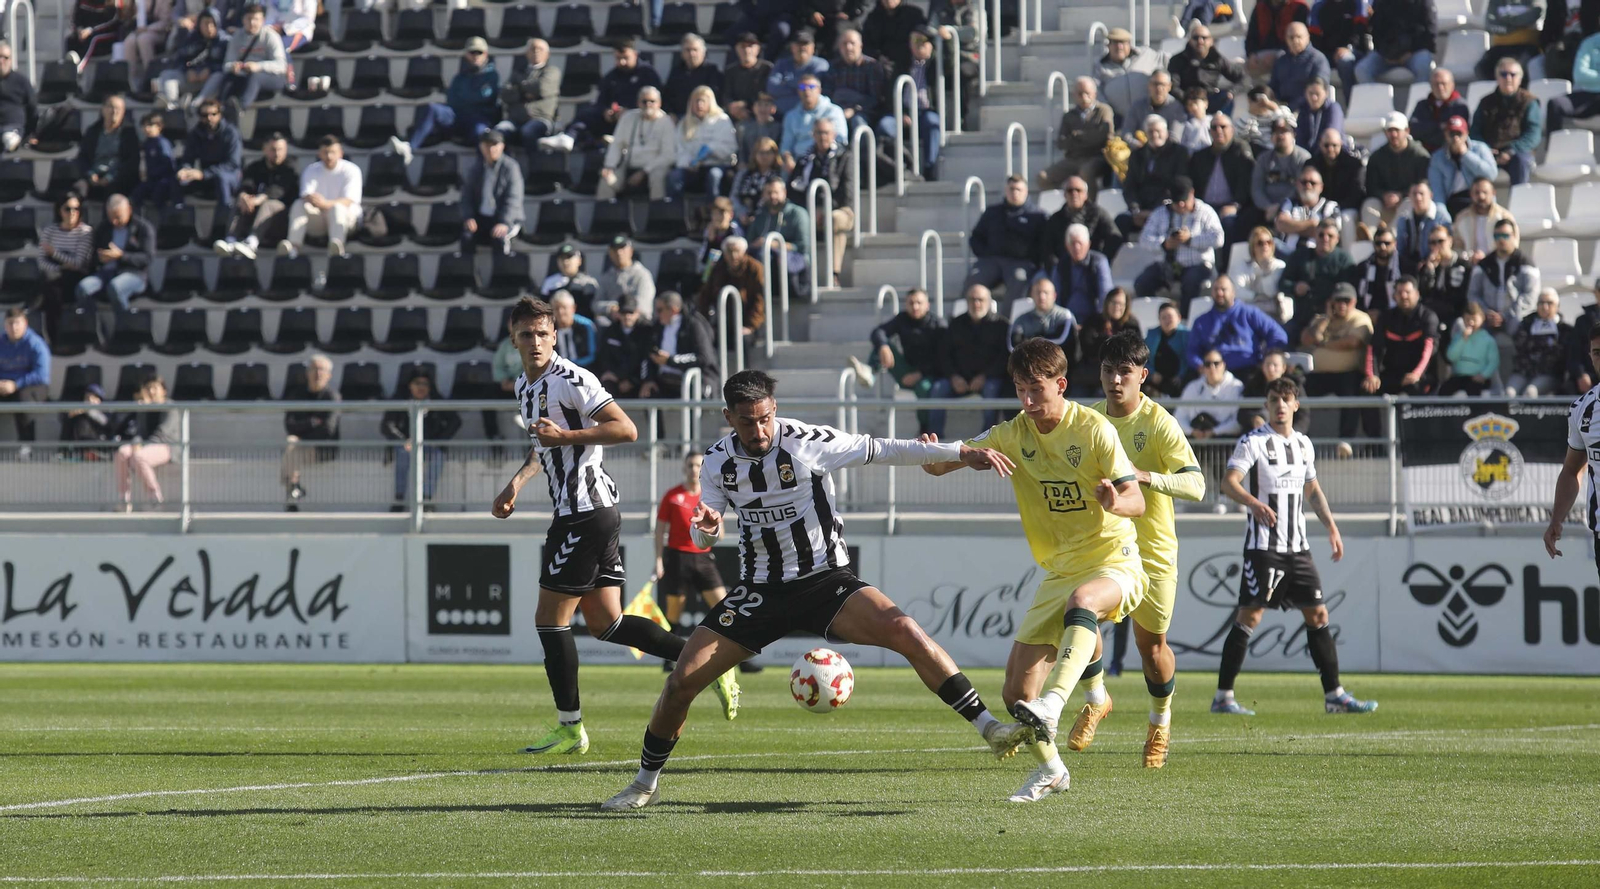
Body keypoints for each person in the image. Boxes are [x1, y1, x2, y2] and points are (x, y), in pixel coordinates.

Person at [601, 368, 1026, 810]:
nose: (758, 429)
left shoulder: (805, 442)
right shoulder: (717, 462)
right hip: (760, 591)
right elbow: (707, 531)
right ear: (729, 417)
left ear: (774, 410)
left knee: (906, 631)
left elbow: (880, 449)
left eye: (764, 418)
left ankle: (989, 728)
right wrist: (706, 530)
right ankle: (643, 784)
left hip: (826, 582)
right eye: (747, 421)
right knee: (680, 684)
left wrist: (960, 451)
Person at [494, 297, 735, 758]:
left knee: (549, 620)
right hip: (583, 512)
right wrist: (516, 484)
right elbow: (542, 448)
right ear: (514, 339)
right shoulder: (526, 389)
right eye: (527, 334)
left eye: (543, 333)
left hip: (585, 511)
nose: (536, 341)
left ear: (555, 335)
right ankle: (712, 662)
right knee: (606, 623)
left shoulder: (572, 379)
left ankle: (570, 727)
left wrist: (566, 437)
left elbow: (626, 429)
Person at [920, 338, 1149, 801]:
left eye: (1036, 389)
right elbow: (941, 467)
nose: (1027, 400)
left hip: (1113, 556)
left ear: (1060, 384)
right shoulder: (1012, 433)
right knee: (1014, 694)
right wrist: (933, 453)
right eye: (1020, 389)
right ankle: (1052, 771)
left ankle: (1057, 703)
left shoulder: (1093, 429)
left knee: (1083, 603)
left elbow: (1137, 500)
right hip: (1059, 569)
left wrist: (1113, 500)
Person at [1020, 331, 1204, 768]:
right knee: (1081, 613)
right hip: (1100, 547)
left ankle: (1160, 722)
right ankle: (1096, 697)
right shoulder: (1087, 419)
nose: (1115, 379)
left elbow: (1196, 483)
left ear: (1143, 375)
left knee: (1151, 648)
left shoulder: (1158, 423)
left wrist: (1147, 477)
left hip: (1152, 550)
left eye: (1125, 371)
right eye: (1107, 370)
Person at [1214, 378, 1375, 716]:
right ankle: (1223, 697)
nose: (1281, 405)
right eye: (1274, 399)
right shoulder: (1253, 442)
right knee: (1251, 614)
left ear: (1296, 404)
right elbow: (1229, 483)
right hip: (1264, 547)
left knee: (1318, 613)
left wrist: (1332, 527)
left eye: (1286, 399)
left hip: (1298, 548)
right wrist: (1253, 504)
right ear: (1267, 405)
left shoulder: (1303, 444)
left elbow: (1312, 490)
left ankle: (1335, 696)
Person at [653, 453, 762, 674]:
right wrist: (658, 560)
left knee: (726, 607)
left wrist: (711, 527)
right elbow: (660, 530)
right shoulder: (672, 496)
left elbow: (719, 534)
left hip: (703, 559)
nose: (694, 469)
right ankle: (669, 659)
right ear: (685, 468)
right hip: (677, 558)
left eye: (698, 465)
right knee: (674, 612)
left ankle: (741, 660)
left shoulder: (709, 497)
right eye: (691, 465)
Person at [848, 287, 946, 434]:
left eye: (919, 303)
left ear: (927, 305)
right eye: (911, 303)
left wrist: (919, 374)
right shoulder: (902, 319)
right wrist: (883, 346)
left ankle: (925, 430)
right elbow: (878, 332)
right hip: (906, 371)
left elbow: (943, 358)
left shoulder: (938, 325)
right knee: (882, 347)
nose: (915, 307)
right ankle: (870, 372)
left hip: (929, 374)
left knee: (924, 388)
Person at [389, 37, 500, 165]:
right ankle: (410, 148)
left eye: (478, 52)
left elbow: (485, 98)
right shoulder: (460, 77)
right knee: (432, 108)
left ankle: (486, 170)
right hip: (457, 117)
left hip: (478, 120)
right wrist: (470, 99)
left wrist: (465, 98)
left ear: (485, 54)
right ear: (466, 54)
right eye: (472, 52)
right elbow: (452, 100)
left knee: (482, 135)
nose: (475, 56)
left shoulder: (492, 76)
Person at [1543, 327, 1600, 574]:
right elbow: (1571, 471)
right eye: (1598, 352)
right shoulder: (1582, 409)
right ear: (1590, 355)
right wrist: (1557, 519)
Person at [539, 39, 662, 152]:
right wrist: (605, 111)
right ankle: (569, 137)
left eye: (626, 58)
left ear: (635, 54)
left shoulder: (647, 74)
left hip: (639, 119)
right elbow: (601, 102)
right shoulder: (612, 76)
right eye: (618, 58)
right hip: (614, 120)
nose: (622, 62)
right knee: (587, 113)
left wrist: (629, 111)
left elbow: (655, 101)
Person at [1133, 177, 1225, 313]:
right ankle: (1154, 318)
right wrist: (1164, 244)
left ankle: (1185, 320)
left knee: (1191, 282)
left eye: (1184, 201)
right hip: (1167, 264)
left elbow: (1219, 238)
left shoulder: (1206, 212)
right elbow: (1144, 239)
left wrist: (1190, 240)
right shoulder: (1160, 213)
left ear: (1192, 193)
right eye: (1177, 202)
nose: (1181, 205)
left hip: (1197, 264)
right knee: (1142, 283)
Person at [929, 284, 1009, 436]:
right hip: (959, 380)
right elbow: (944, 354)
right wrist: (953, 376)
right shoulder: (956, 324)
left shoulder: (1001, 325)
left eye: (980, 300)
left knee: (992, 390)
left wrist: (985, 377)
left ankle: (988, 440)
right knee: (938, 389)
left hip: (989, 379)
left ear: (989, 301)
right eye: (972, 299)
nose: (976, 303)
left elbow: (1004, 358)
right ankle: (935, 441)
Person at [788, 116, 856, 283]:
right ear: (813, 135)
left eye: (826, 132)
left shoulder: (844, 156)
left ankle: (833, 273)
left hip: (841, 210)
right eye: (818, 132)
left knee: (833, 221)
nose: (822, 136)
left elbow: (847, 191)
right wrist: (812, 210)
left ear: (833, 134)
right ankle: (801, 277)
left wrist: (825, 210)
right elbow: (793, 189)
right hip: (812, 211)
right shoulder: (805, 159)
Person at [1301, 284, 1375, 436]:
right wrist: (1327, 318)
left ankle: (1345, 441)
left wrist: (1323, 343)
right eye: (1338, 300)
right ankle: (1298, 436)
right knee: (1296, 389)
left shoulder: (1360, 318)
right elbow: (1306, 339)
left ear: (1353, 302)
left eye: (1346, 301)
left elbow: (1352, 342)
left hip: (1349, 374)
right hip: (1320, 374)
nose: (1342, 305)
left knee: (1351, 393)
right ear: (1331, 302)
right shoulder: (1322, 319)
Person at [381, 371, 460, 511]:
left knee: (438, 457)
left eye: (425, 384)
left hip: (430, 445)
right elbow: (387, 425)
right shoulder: (400, 400)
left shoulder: (437, 401)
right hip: (407, 445)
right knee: (402, 454)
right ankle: (399, 500)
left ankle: (426, 499)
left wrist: (439, 441)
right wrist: (402, 440)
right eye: (417, 383)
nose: (421, 387)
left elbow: (455, 421)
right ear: (410, 386)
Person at [214, 131, 297, 259]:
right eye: (273, 150)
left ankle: (252, 242)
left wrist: (257, 200)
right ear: (264, 149)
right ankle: (230, 240)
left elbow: (277, 191)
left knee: (270, 204)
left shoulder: (290, 169)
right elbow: (246, 184)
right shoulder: (255, 167)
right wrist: (243, 196)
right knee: (241, 200)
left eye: (281, 150)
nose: (277, 154)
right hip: (253, 214)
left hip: (279, 222)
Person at [1187, 275, 1289, 376]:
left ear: (1233, 292)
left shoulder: (1250, 313)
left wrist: (1265, 358)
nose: (1219, 293)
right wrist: (1200, 366)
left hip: (1248, 370)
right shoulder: (1201, 321)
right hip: (1213, 372)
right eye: (1216, 289)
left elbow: (1278, 335)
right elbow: (1192, 351)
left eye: (1223, 289)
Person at [282, 135, 362, 259]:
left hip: (347, 220)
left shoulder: (352, 170)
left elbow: (349, 200)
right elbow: (306, 195)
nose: (329, 156)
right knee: (299, 204)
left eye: (332, 152)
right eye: (325, 152)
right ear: (319, 153)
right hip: (319, 220)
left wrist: (325, 204)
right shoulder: (311, 170)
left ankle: (337, 248)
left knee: (337, 208)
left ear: (340, 153)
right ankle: (293, 248)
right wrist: (313, 200)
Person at [879, 26, 942, 181]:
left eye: (922, 41)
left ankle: (929, 168)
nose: (917, 44)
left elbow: (950, 63)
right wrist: (900, 113)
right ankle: (899, 168)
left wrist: (942, 46)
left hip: (925, 112)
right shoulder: (901, 65)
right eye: (914, 40)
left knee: (933, 124)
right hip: (903, 112)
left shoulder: (936, 64)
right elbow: (889, 93)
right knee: (885, 126)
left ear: (930, 44)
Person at [1466, 218, 1539, 351]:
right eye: (1497, 235)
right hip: (1486, 320)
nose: (1501, 239)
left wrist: (1505, 316)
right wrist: (1487, 313)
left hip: (1516, 320)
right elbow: (1473, 294)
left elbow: (1530, 297)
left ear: (1514, 236)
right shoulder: (1483, 265)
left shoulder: (1526, 264)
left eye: (1505, 235)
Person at [202, 4, 289, 114]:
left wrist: (258, 66)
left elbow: (281, 65)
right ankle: (220, 107)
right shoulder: (237, 36)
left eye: (256, 19)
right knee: (228, 78)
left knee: (255, 77)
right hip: (244, 74)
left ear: (262, 20)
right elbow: (227, 64)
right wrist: (233, 66)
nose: (252, 23)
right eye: (249, 19)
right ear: (243, 19)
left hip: (271, 76)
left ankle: (240, 107)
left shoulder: (270, 36)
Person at [967, 176, 1049, 293]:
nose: (1014, 193)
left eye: (1018, 189)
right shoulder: (992, 212)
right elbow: (976, 237)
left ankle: (1009, 312)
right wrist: (985, 253)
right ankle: (970, 311)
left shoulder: (1038, 216)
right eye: (1011, 189)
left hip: (1022, 263)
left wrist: (1032, 258)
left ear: (1026, 191)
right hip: (992, 261)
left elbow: (1044, 244)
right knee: (974, 279)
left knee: (1019, 280)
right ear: (1006, 191)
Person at [280, 353, 339, 511]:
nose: (318, 373)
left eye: (322, 370)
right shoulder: (297, 395)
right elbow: (290, 425)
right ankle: (293, 488)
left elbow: (328, 429)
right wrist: (313, 422)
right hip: (301, 446)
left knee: (292, 446)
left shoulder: (331, 397)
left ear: (329, 375)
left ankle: (292, 490)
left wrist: (303, 433)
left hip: (323, 449)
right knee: (291, 442)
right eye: (314, 369)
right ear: (307, 373)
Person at [1364, 276, 1441, 396]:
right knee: (1367, 389)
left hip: (1420, 375)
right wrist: (1372, 376)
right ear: (1394, 296)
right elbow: (1374, 348)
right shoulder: (1386, 317)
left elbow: (1429, 350)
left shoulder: (1427, 316)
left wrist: (1416, 374)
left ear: (1417, 294)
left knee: (1411, 392)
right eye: (1399, 292)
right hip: (1392, 374)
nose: (1404, 296)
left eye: (1407, 292)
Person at [1471, 58, 1542, 187]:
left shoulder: (1529, 102)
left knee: (1521, 161)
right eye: (1503, 74)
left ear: (1520, 78)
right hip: (1488, 152)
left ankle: (1519, 201)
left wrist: (1511, 151)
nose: (1508, 78)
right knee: (1468, 159)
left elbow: (1533, 135)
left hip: (1517, 153)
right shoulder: (1485, 102)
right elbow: (1475, 131)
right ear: (1497, 77)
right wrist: (1485, 150)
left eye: (1513, 74)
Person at [597, 86, 677, 201]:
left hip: (654, 167)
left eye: (652, 101)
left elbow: (668, 155)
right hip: (629, 164)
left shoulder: (666, 122)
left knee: (658, 177)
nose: (648, 104)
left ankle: (657, 215)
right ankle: (605, 216)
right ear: (638, 103)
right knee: (607, 179)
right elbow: (617, 145)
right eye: (644, 101)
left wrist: (644, 171)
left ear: (659, 103)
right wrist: (610, 166)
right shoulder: (628, 117)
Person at [111, 377, 179, 510]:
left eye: (155, 387)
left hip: (166, 446)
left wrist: (142, 447)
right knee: (122, 453)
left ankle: (155, 499)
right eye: (148, 388)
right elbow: (139, 432)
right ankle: (123, 500)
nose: (151, 391)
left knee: (139, 457)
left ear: (163, 391)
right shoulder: (144, 407)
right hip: (146, 445)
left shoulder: (171, 407)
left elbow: (163, 433)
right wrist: (137, 443)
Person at [78, 195, 155, 313]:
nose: (114, 222)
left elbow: (147, 258)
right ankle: (94, 326)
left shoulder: (143, 228)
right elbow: (92, 255)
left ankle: (124, 326)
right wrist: (100, 258)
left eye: (118, 217)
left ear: (128, 210)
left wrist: (121, 256)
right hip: (105, 273)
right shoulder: (103, 227)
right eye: (111, 217)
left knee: (115, 287)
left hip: (134, 274)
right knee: (83, 288)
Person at [1037, 77, 1114, 192]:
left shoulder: (1104, 110)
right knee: (1043, 177)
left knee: (1086, 172)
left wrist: (1077, 136)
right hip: (1073, 159)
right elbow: (1062, 143)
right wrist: (1089, 137)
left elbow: (1104, 136)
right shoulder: (1069, 115)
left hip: (1097, 157)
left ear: (1095, 94)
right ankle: (1068, 201)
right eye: (1079, 93)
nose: (1084, 97)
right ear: (1074, 95)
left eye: (1087, 93)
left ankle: (1090, 205)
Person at [177, 98, 243, 232]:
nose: (209, 118)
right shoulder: (196, 133)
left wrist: (204, 173)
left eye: (213, 114)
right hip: (206, 176)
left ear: (219, 114)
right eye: (204, 115)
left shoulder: (231, 133)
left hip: (229, 176)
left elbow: (232, 163)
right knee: (176, 180)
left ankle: (221, 230)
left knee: (221, 179)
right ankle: (179, 226)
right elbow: (188, 157)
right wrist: (185, 170)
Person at [1117, 117, 1190, 237]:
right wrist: (1136, 210)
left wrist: (1154, 212)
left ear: (1166, 133)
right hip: (1141, 209)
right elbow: (1129, 186)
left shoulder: (1179, 153)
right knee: (1121, 221)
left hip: (1167, 207)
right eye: (1151, 131)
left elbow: (1178, 184)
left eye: (1158, 131)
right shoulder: (1137, 155)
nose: (1155, 135)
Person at [1190, 114, 1256, 244]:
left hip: (1230, 206)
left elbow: (1246, 182)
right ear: (1209, 132)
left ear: (1232, 130)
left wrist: (1236, 205)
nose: (1218, 130)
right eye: (1214, 127)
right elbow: (1192, 183)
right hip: (1203, 206)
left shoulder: (1240, 150)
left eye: (1223, 127)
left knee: (1229, 224)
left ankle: (1225, 264)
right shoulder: (1199, 157)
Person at [1364, 113, 1434, 232]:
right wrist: (1383, 196)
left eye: (1397, 130)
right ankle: (1369, 236)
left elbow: (1424, 184)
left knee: (1410, 203)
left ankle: (1392, 236)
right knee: (1369, 204)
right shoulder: (1377, 157)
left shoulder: (1420, 155)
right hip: (1384, 202)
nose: (1393, 134)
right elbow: (1371, 186)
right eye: (1390, 130)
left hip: (1408, 198)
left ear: (1406, 131)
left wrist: (1401, 195)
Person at [38, 196, 95, 340]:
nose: (72, 212)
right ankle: (54, 337)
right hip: (54, 276)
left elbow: (78, 263)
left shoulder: (86, 232)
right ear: (59, 210)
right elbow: (41, 261)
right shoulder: (49, 231)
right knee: (51, 289)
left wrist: (54, 253)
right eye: (67, 209)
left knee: (51, 292)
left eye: (76, 209)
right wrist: (61, 266)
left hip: (74, 278)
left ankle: (57, 336)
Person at [641, 291, 717, 399]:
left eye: (660, 310)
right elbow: (648, 353)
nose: (657, 314)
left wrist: (670, 360)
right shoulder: (658, 327)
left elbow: (704, 357)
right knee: (648, 391)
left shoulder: (693, 325)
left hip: (693, 377)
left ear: (673, 309)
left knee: (695, 391)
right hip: (665, 378)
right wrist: (648, 379)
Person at [460, 129, 524, 256]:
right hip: (482, 219)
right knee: (466, 237)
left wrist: (504, 222)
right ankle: (468, 274)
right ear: (481, 147)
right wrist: (469, 216)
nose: (490, 149)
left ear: (502, 146)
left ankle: (501, 274)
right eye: (487, 145)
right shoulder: (476, 169)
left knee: (500, 239)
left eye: (494, 145)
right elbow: (466, 196)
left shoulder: (511, 168)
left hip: (507, 219)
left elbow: (514, 198)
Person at [747, 177, 812, 298]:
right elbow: (749, 243)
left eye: (776, 192)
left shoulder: (797, 213)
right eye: (769, 193)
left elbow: (804, 247)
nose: (773, 196)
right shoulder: (759, 216)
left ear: (784, 193)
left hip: (792, 264)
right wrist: (757, 244)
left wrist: (775, 245)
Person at [1009, 278, 1080, 386]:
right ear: (1031, 295)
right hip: (1028, 372)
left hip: (1060, 371)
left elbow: (1061, 340)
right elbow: (1014, 345)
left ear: (1054, 295)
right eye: (1038, 292)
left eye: (1046, 293)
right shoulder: (1021, 319)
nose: (1042, 296)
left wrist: (1030, 340)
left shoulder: (1064, 316)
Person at [670, 86, 737, 199]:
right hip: (691, 168)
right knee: (674, 176)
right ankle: (676, 213)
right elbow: (679, 149)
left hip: (716, 164)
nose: (699, 105)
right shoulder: (684, 123)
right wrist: (688, 163)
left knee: (714, 176)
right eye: (696, 101)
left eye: (703, 101)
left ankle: (713, 210)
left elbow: (731, 148)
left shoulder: (722, 120)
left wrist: (711, 149)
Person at [698, 235, 766, 342]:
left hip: (749, 321)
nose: (733, 256)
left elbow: (760, 300)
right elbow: (705, 296)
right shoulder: (717, 268)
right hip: (725, 320)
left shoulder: (755, 268)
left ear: (744, 252)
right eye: (729, 252)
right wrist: (704, 322)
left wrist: (750, 326)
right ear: (724, 254)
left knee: (744, 340)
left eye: (737, 251)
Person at [1043, 176, 1123, 268]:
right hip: (1063, 267)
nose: (1074, 193)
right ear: (1064, 195)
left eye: (1078, 190)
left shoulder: (1098, 213)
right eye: (1070, 190)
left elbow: (1115, 237)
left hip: (1092, 266)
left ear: (1086, 195)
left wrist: (1101, 260)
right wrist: (1056, 269)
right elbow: (1047, 248)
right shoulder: (1055, 219)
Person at [74, 95, 141, 202]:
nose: (115, 112)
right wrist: (90, 174)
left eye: (119, 109)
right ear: (103, 109)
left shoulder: (129, 134)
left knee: (113, 195)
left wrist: (110, 177)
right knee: (73, 192)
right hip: (93, 176)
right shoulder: (93, 131)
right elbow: (82, 157)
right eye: (111, 107)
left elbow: (131, 162)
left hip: (117, 179)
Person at [1507, 289, 1572, 397]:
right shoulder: (1526, 325)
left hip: (1549, 375)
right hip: (1524, 372)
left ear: (1557, 306)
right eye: (1541, 303)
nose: (1545, 307)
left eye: (1549, 303)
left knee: (1530, 392)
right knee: (1509, 393)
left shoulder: (1564, 330)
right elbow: (1519, 348)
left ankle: (1527, 414)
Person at [1078, 289, 1143, 397]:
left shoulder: (1132, 325)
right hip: (1092, 371)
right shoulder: (1093, 321)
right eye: (1114, 302)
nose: (1117, 306)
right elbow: (1087, 346)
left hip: (1122, 373)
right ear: (1107, 303)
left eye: (1121, 304)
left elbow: (1135, 351)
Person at [0, 308, 49, 448]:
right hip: (4, 386)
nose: (14, 327)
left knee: (23, 398)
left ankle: (26, 446)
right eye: (10, 323)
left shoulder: (36, 344)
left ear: (25, 323)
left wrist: (15, 384)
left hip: (33, 386)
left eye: (17, 323)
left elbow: (41, 375)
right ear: (5, 325)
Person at [498, 38, 561, 147]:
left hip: (541, 119)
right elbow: (505, 94)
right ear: (527, 53)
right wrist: (527, 91)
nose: (536, 51)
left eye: (540, 49)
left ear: (547, 54)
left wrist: (519, 88)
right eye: (533, 49)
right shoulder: (517, 73)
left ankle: (534, 163)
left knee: (528, 131)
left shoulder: (552, 71)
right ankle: (506, 163)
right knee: (497, 134)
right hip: (515, 120)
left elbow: (541, 88)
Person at [1168, 23, 1244, 111]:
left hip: (1210, 100)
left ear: (1211, 41)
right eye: (1196, 38)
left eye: (1204, 38)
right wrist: (1189, 100)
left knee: (1226, 99)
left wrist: (1232, 92)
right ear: (1189, 40)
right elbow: (1173, 86)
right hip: (1185, 101)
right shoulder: (1177, 60)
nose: (1200, 41)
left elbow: (1241, 78)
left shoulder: (1217, 59)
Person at [1356, 0, 1436, 83]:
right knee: (1362, 70)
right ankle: (1376, 96)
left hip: (1415, 52)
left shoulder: (1423, 2)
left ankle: (1420, 96)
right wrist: (1386, 54)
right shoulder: (1381, 3)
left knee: (1422, 65)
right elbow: (1377, 32)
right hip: (1386, 54)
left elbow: (1430, 33)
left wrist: (1410, 52)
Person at [1251, 118, 1310, 229]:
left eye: (1284, 131)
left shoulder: (1303, 158)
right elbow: (1256, 189)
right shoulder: (1263, 159)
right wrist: (1268, 206)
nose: (1280, 136)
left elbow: (1301, 189)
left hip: (1293, 207)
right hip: (1267, 208)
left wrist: (1281, 207)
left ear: (1293, 135)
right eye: (1276, 132)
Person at [1050, 223, 1113, 321]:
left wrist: (1100, 319)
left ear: (1088, 244)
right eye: (1072, 243)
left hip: (1094, 319)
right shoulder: (1060, 265)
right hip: (1066, 319)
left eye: (1080, 243)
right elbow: (1054, 296)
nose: (1077, 247)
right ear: (1067, 246)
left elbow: (1105, 293)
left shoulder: (1099, 262)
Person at [1273, 163, 1339, 257]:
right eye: (1304, 182)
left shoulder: (1331, 206)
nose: (1308, 185)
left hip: (1317, 255)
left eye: (1313, 183)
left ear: (1321, 187)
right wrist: (1312, 224)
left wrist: (1291, 226)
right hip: (1288, 254)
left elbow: (1328, 233)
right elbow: (1281, 225)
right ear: (1297, 184)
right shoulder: (1289, 203)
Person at [1177, 348, 1244, 439]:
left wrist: (1214, 432)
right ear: (1203, 368)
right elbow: (1179, 417)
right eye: (1207, 364)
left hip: (1223, 443)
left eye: (1216, 364)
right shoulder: (1192, 387)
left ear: (1223, 365)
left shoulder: (1236, 387)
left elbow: (1238, 422)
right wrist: (1192, 431)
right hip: (1196, 441)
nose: (1212, 368)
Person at [781, 74, 848, 164]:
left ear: (819, 90)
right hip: (798, 163)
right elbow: (786, 146)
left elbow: (841, 141)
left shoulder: (834, 111)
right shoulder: (791, 116)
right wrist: (788, 159)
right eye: (802, 87)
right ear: (798, 91)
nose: (807, 90)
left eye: (811, 87)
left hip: (827, 160)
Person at [1236, 349, 1308, 432]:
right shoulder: (1253, 385)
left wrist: (1291, 434)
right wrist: (1254, 418)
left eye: (1275, 365)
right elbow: (1242, 414)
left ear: (1283, 368)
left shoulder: (1295, 386)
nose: (1271, 369)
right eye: (1268, 364)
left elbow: (1303, 417)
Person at [596, 295, 652, 399]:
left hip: (638, 379)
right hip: (616, 378)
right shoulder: (611, 331)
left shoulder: (646, 331)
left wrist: (632, 381)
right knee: (605, 387)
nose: (627, 316)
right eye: (623, 313)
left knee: (649, 390)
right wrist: (613, 374)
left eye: (630, 313)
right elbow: (604, 356)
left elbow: (646, 359)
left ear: (637, 313)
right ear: (618, 313)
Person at [831, 27, 886, 134]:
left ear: (860, 45)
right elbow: (828, 94)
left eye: (852, 43)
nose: (848, 47)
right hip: (838, 110)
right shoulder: (834, 66)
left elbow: (875, 99)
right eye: (844, 44)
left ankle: (864, 151)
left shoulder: (872, 66)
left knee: (858, 123)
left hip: (864, 111)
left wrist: (854, 110)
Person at [1231, 225, 1290, 324]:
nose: (1265, 246)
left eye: (1269, 242)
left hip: (1272, 315)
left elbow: (1270, 291)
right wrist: (1255, 296)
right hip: (1248, 314)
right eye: (1260, 243)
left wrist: (1266, 270)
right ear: (1253, 247)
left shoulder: (1279, 266)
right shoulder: (1242, 266)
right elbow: (1236, 291)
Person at [1416, 223, 1473, 325]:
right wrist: (1430, 271)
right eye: (1433, 242)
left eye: (1441, 241)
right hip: (1431, 314)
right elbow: (1424, 293)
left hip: (1455, 315)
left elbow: (1462, 296)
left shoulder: (1463, 265)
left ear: (1450, 241)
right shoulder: (1427, 266)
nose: (1437, 246)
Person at [1440, 301, 1500, 396]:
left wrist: (1483, 375)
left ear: (1482, 318)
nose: (1471, 322)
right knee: (1444, 390)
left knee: (1473, 391)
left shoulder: (1488, 340)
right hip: (1459, 377)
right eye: (1467, 319)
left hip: (1478, 378)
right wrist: (1462, 340)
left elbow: (1493, 361)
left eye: (1474, 319)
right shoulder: (1459, 337)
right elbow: (1451, 356)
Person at [1392, 181, 1452, 274]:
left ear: (1430, 195)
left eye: (1421, 194)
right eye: (1414, 194)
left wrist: (1429, 260)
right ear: (1409, 196)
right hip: (1411, 264)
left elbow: (1447, 244)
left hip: (1436, 263)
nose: (1418, 198)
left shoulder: (1441, 217)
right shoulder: (1404, 218)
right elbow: (1401, 248)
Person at [767, 31, 831, 117]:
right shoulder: (782, 64)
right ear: (792, 47)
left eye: (806, 44)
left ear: (813, 47)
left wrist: (787, 84)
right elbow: (772, 87)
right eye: (798, 44)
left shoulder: (820, 64)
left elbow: (810, 90)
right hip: (779, 114)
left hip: (810, 115)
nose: (802, 47)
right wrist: (799, 87)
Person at [1547, 29, 1600, 132]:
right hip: (1590, 95)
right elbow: (1579, 75)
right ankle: (1552, 146)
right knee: (1556, 104)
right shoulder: (1590, 42)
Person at [1269, 23, 1330, 109]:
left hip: (1306, 111)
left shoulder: (1318, 60)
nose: (1295, 41)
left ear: (1307, 37)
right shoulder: (1280, 60)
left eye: (1299, 37)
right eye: (1291, 37)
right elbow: (1273, 86)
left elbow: (1317, 91)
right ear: (1286, 39)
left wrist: (1290, 108)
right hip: (1280, 110)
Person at [1411, 68, 1470, 155]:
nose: (1440, 87)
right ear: (1431, 86)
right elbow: (1414, 129)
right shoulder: (1422, 105)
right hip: (1423, 153)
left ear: (1452, 85)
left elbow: (1457, 135)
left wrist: (1427, 131)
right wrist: (1439, 126)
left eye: (1443, 83)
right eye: (1436, 84)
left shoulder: (1460, 107)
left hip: (1449, 154)